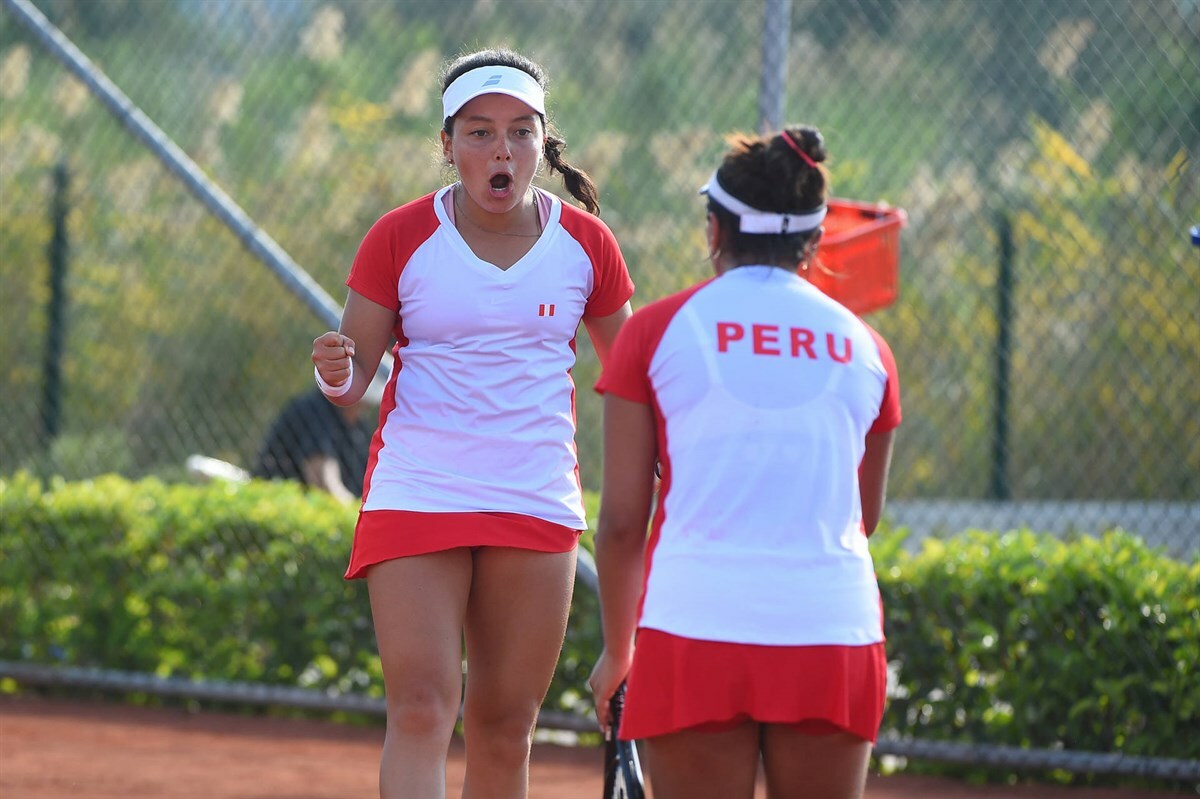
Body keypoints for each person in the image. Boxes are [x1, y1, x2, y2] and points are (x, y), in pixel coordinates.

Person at [310, 48, 634, 799]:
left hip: (534, 497)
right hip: (417, 490)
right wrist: (335, 372)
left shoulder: (588, 245)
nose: (502, 150)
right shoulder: (398, 235)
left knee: (502, 725)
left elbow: (633, 376)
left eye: (520, 132)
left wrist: (664, 461)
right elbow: (353, 374)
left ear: (542, 143)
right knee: (421, 709)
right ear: (448, 142)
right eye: (481, 132)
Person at [588, 125, 901, 799]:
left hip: (693, 627)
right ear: (816, 242)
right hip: (832, 630)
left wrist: (619, 652)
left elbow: (619, 524)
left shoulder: (652, 331)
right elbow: (863, 515)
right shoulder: (870, 347)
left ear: (714, 230)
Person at [252, 383, 378, 503]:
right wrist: (351, 510)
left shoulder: (359, 428)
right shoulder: (313, 408)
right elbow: (322, 480)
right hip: (277, 500)